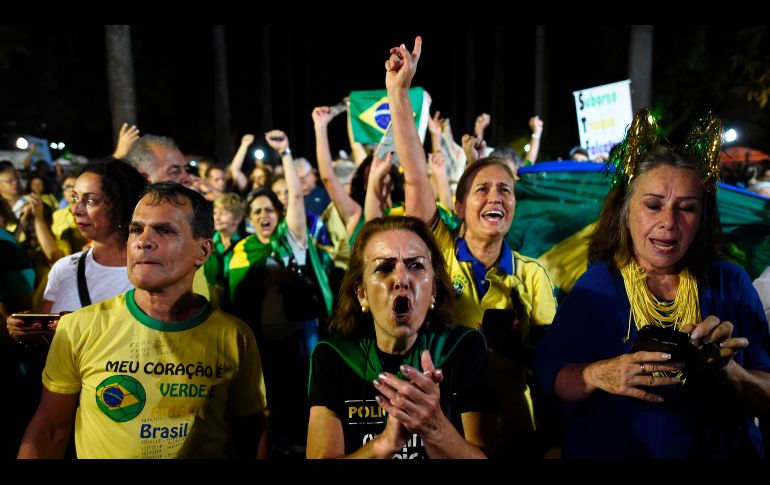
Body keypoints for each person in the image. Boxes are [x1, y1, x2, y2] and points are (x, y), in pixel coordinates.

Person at [534, 108, 770, 458]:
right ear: (626, 210)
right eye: (654, 205)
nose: (669, 222)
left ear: (702, 217)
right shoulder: (596, 287)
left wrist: (730, 371)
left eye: (686, 208)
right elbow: (552, 379)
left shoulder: (729, 283)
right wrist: (599, 374)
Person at [385, 36, 557, 455]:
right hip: (441, 432)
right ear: (459, 207)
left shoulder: (532, 275)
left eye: (505, 190)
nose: (496, 197)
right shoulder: (436, 252)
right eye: (482, 189)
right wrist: (399, 94)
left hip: (515, 434)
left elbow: (556, 363)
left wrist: (518, 351)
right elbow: (416, 178)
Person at [18, 182, 268, 458]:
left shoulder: (234, 337)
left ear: (203, 251)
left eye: (165, 230)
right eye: (136, 229)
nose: (143, 241)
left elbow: (251, 433)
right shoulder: (79, 327)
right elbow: (49, 432)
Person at [307, 216, 497, 458]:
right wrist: (385, 444)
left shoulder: (463, 347)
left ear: (433, 290)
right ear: (362, 294)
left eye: (415, 266)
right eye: (384, 268)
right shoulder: (333, 357)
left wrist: (436, 429)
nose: (401, 279)